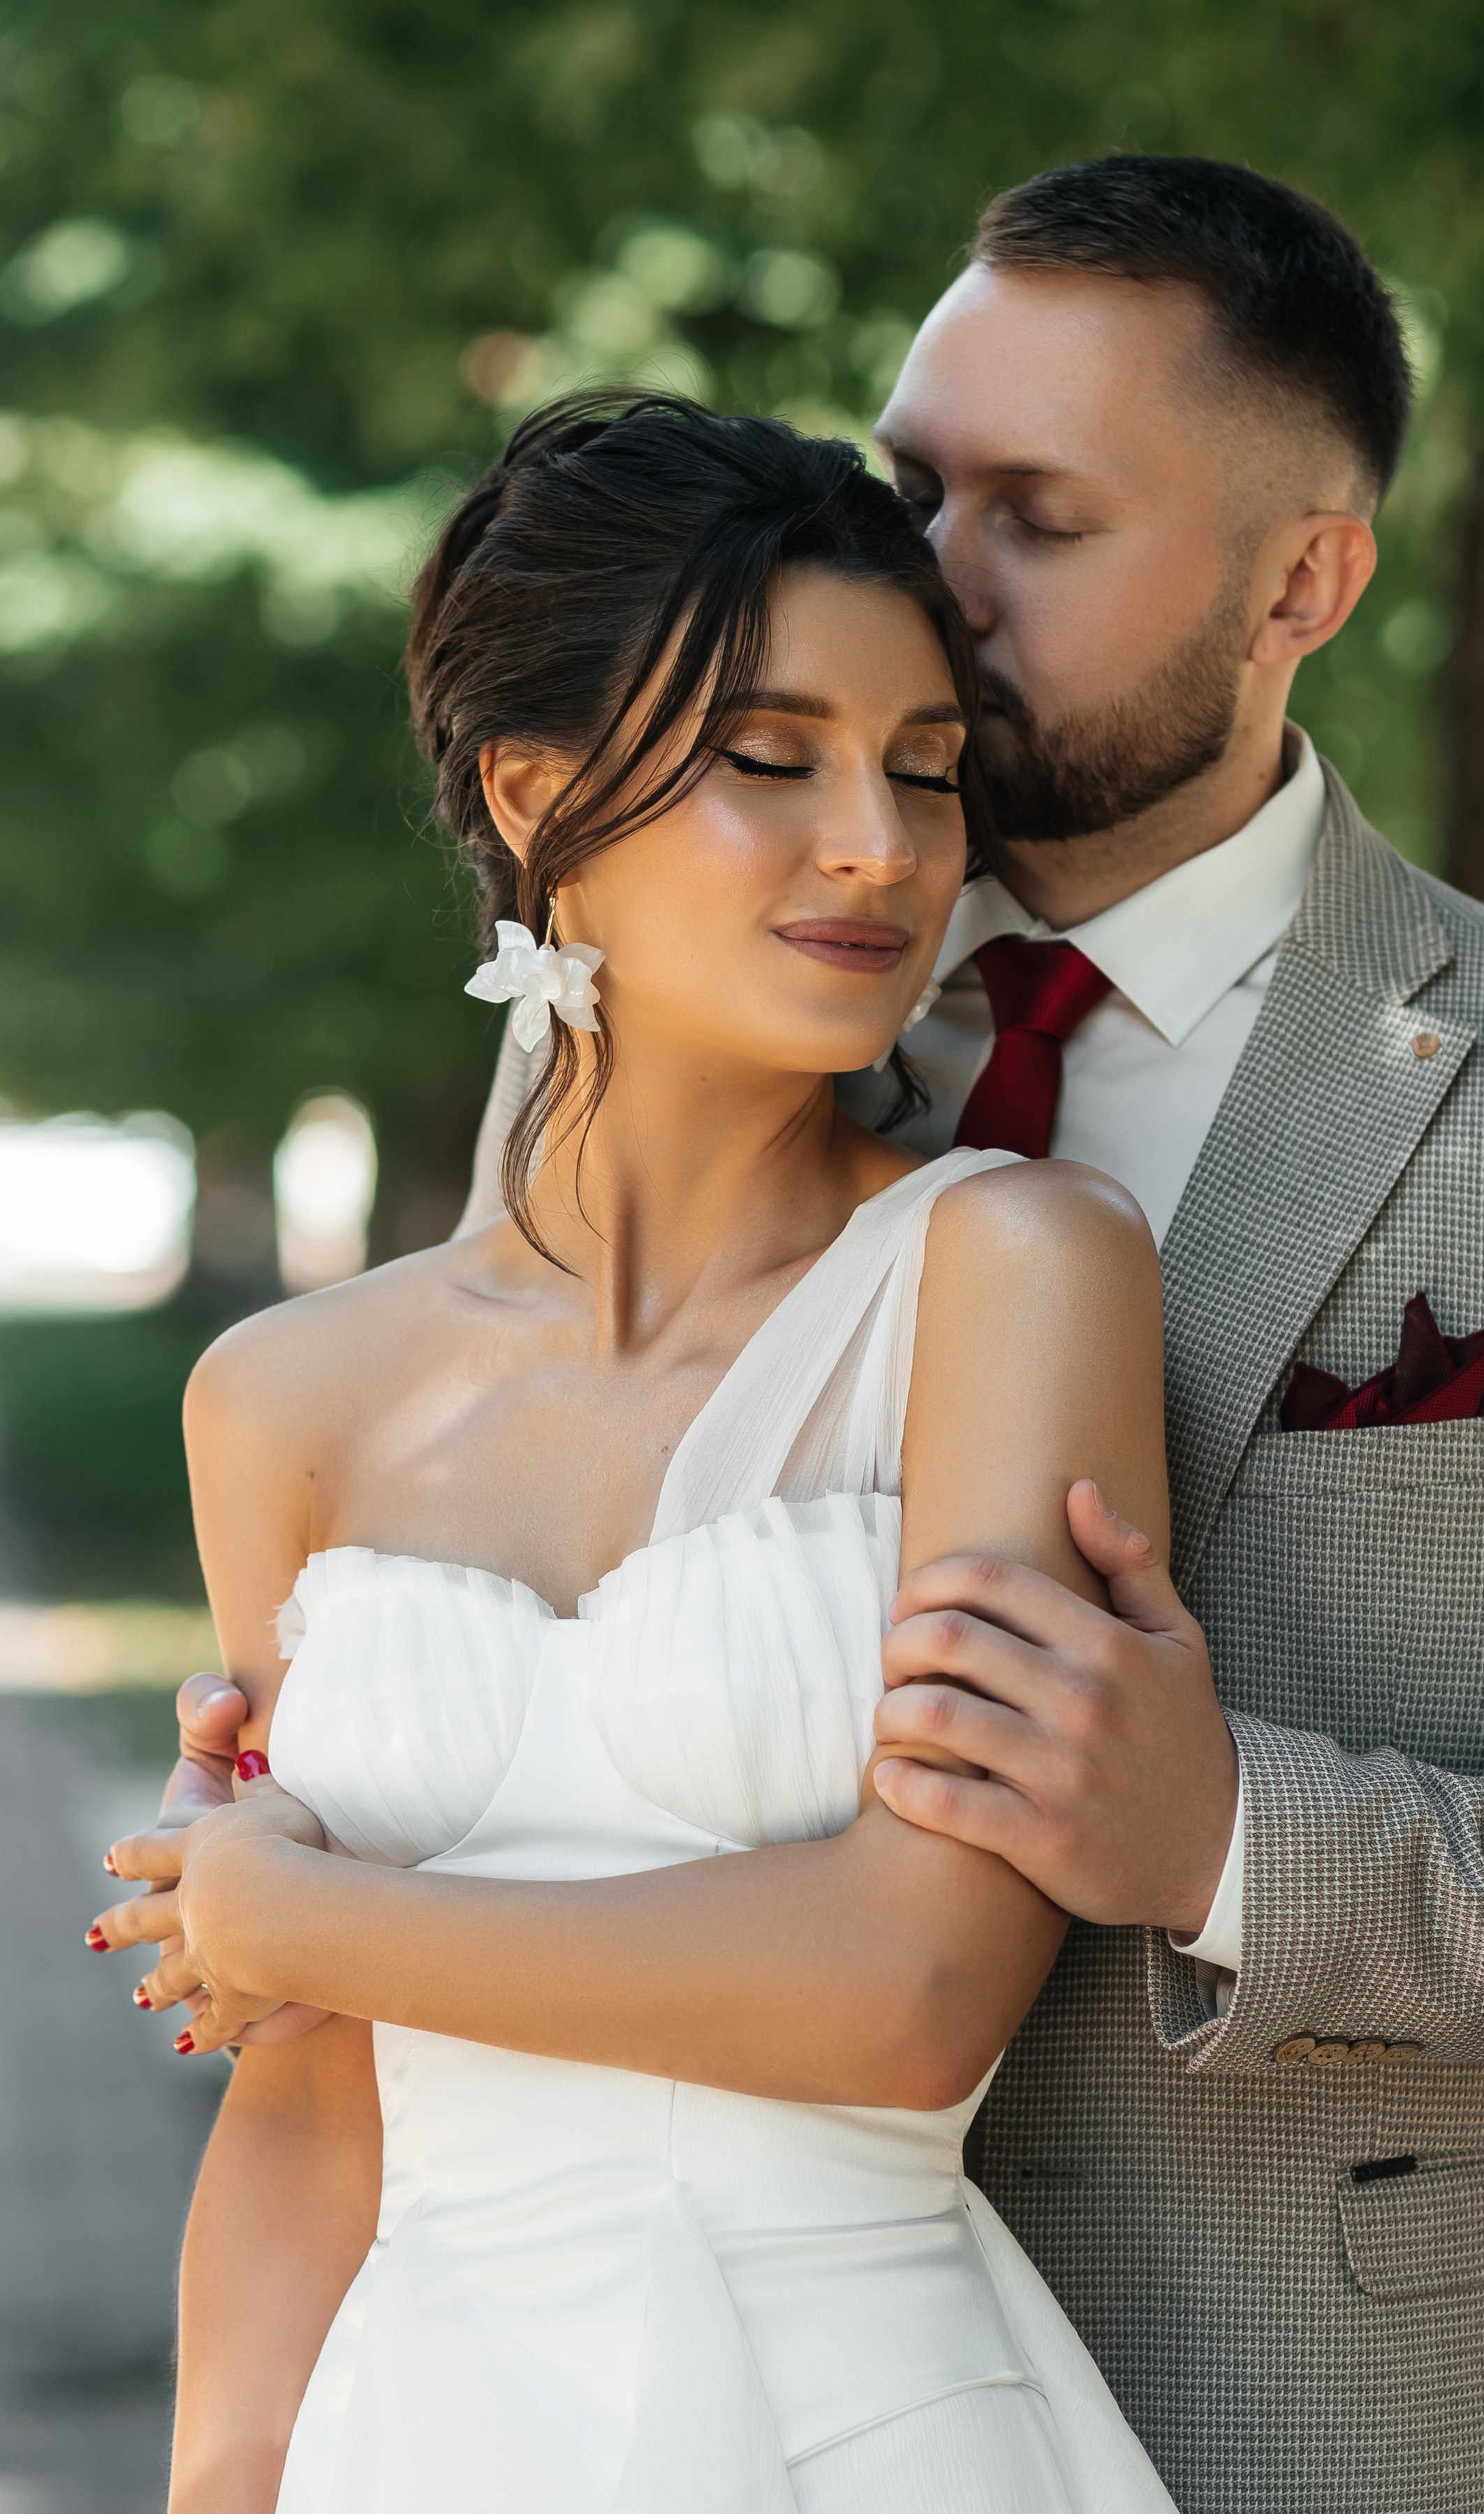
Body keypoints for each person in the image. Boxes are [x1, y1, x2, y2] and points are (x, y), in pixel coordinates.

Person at [117, 154, 1484, 2511]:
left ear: (1302, 585)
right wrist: (312, 1792)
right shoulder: (667, 999)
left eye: (1037, 518)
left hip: (1305, 2398)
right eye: (921, 481)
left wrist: (1240, 1839)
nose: (939, 570)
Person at [93, 392, 1179, 2513]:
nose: (882, 844)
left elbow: (909, 1989)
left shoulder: (1014, 1269)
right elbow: (311, 2113)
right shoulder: (289, 1398)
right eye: (772, 759)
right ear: (533, 794)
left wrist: (288, 1913)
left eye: (925, 768)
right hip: (415, 2440)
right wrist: (223, 2482)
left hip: (869, 2430)